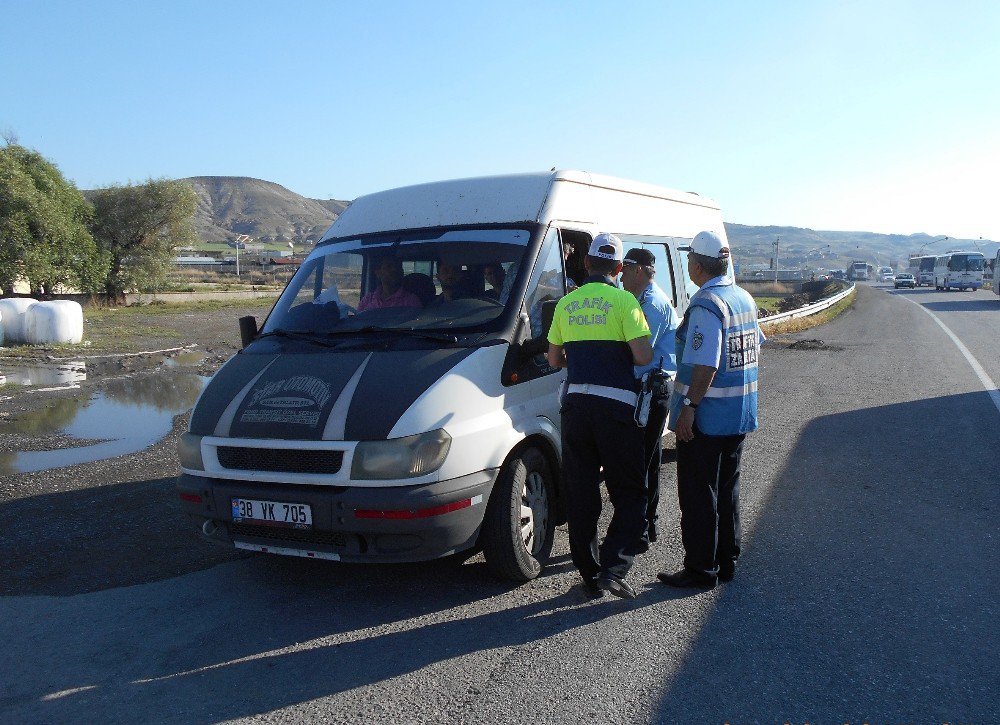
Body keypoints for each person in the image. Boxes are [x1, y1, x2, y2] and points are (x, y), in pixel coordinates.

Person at [547, 233, 653, 600]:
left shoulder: (567, 303)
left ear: (588, 264)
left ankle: (589, 573)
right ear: (619, 268)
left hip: (575, 407)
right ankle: (614, 567)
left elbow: (553, 359)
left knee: (581, 491)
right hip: (616, 408)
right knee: (629, 490)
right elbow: (642, 357)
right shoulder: (625, 302)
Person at [657, 231, 763, 589]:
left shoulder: (707, 304)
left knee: (699, 494)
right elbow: (754, 347)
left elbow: (706, 364)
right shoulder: (743, 298)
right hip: (739, 412)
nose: (687, 265)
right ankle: (726, 560)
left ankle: (701, 569)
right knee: (727, 487)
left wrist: (689, 406)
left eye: (689, 260)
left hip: (708, 416)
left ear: (698, 266)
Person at [620, 247, 679, 552]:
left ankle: (638, 529)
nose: (621, 275)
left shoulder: (651, 304)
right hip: (651, 387)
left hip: (651, 388)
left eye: (626, 269)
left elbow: (638, 350)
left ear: (640, 270)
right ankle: (647, 524)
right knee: (650, 458)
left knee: (639, 460)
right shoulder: (641, 299)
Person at [357, 256, 421, 311]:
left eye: (398, 266)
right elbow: (358, 322)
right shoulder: (367, 300)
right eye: (389, 266)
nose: (394, 269)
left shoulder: (410, 300)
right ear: (378, 273)